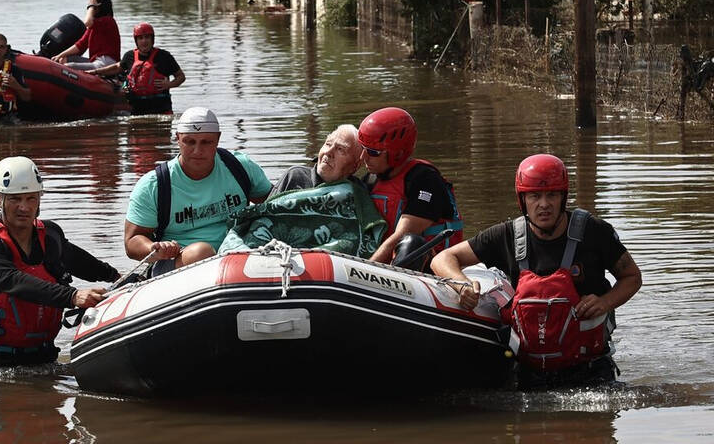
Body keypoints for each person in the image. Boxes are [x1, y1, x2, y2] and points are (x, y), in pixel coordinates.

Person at [430, 153, 642, 386]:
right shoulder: (506, 235)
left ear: (563, 197)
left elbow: (632, 277)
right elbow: (444, 258)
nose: (544, 204)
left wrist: (605, 302)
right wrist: (462, 284)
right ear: (523, 200)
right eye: (535, 196)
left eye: (552, 195)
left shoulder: (595, 232)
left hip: (590, 370)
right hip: (528, 373)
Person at [0, 156, 120, 367]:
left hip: (42, 358)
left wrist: (120, 278)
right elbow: (14, 281)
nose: (24, 207)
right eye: (15, 199)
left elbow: (84, 264)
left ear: (39, 199)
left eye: (31, 198)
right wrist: (73, 296)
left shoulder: (51, 236)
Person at [124, 107, 272, 276]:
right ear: (177, 139)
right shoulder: (154, 185)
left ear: (217, 139)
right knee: (201, 252)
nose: (197, 151)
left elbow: (273, 207)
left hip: (239, 256)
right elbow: (132, 242)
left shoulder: (240, 166)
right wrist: (155, 249)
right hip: (180, 263)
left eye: (206, 142)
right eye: (190, 142)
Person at [358, 107, 464, 267]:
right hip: (383, 267)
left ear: (397, 153)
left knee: (411, 242)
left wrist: (363, 272)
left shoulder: (425, 180)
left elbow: (403, 234)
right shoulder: (370, 180)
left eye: (373, 152)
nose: (363, 157)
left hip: (431, 269)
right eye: (363, 148)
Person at [87, 22, 185, 115]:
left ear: (152, 39)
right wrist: (95, 72)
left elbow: (181, 76)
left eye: (147, 37)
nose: (144, 41)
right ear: (136, 41)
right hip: (137, 110)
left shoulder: (164, 56)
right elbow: (116, 68)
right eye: (140, 38)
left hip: (161, 109)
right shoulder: (129, 56)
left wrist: (170, 84)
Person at [270, 124, 364, 196]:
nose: (329, 152)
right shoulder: (294, 177)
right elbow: (265, 216)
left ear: (354, 166)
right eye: (328, 144)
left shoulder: (358, 192)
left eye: (340, 149)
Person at [51, 0, 120, 71]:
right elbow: (80, 45)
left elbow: (87, 22)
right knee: (65, 59)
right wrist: (59, 56)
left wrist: (91, 6)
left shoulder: (108, 21)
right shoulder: (94, 27)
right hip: (95, 62)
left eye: (94, 7)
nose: (91, 10)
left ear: (99, 8)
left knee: (67, 67)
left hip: (106, 63)